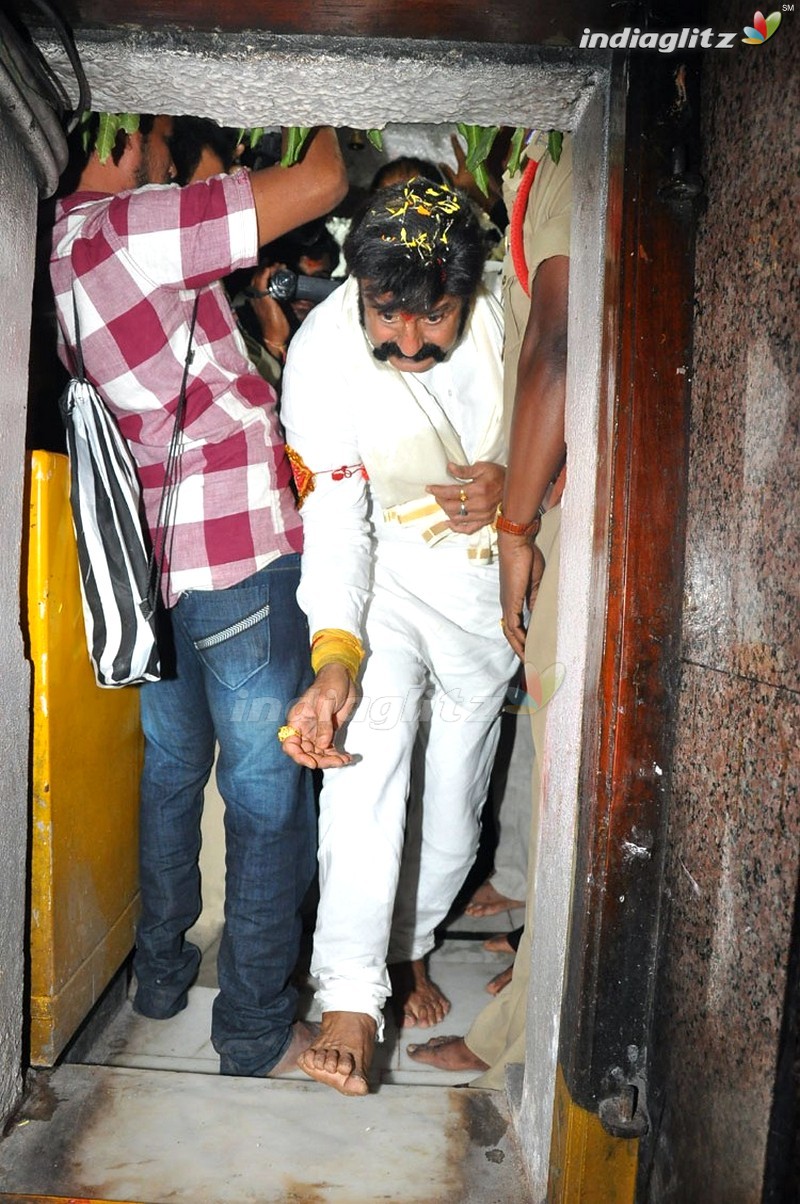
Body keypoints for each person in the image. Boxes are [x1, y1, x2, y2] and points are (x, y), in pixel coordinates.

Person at [49, 114, 348, 1078]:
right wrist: (322, 94)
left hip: (155, 571)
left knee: (171, 778)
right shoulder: (139, 224)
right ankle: (256, 1029)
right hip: (242, 557)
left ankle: (161, 980)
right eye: (167, 135)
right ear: (131, 135)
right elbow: (326, 179)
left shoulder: (55, 240)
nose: (175, 156)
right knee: (266, 801)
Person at [277, 179, 518, 1095]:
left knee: (453, 821)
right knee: (367, 763)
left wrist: (517, 486)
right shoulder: (323, 352)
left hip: (488, 592)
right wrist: (335, 658)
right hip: (380, 579)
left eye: (434, 317)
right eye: (388, 315)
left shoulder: (507, 318)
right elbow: (334, 508)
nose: (407, 343)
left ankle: (410, 946)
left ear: (470, 288)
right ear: (359, 287)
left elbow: (574, 416)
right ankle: (349, 993)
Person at [407, 129, 571, 1086]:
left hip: (559, 515)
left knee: (560, 793)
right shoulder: (539, 166)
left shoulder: (573, 154)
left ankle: (519, 1032)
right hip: (548, 494)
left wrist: (514, 531)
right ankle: (539, 977)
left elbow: (554, 347)